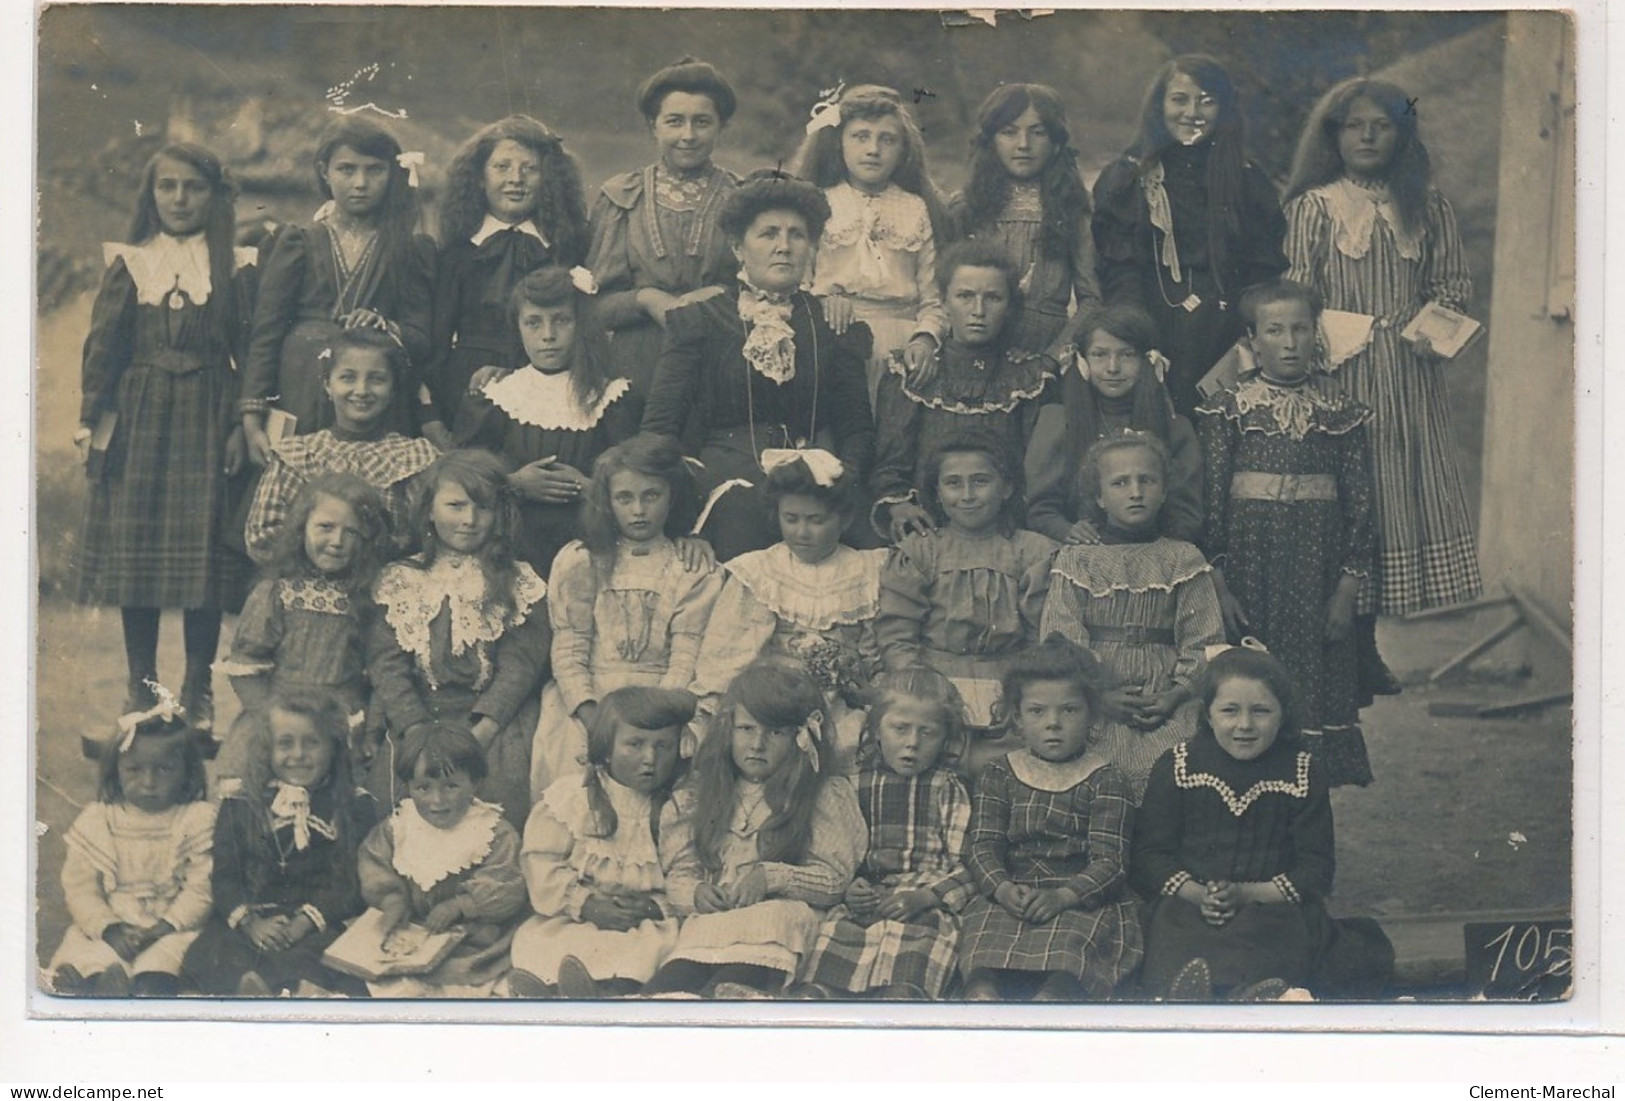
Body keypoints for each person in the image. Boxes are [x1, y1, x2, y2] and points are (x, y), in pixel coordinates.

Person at [1284, 77, 1481, 698]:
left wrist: (1432, 333)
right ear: (1334, 136)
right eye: (1354, 126)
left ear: (1402, 135)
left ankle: (1374, 639)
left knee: (1395, 497)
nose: (1367, 136)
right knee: (1346, 496)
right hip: (1338, 371)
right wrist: (1316, 348)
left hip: (1406, 380)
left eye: (1382, 125)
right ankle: (1350, 643)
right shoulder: (1316, 207)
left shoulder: (1428, 206)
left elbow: (1451, 286)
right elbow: (1296, 290)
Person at [72, 142, 257, 731]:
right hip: (140, 418)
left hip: (208, 414)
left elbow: (248, 353)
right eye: (167, 186)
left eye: (193, 187)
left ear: (213, 195)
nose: (179, 199)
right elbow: (103, 346)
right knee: (140, 558)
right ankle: (143, 687)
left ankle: (197, 689)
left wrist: (239, 426)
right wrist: (92, 420)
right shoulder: (131, 260)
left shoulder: (235, 265)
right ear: (151, 196)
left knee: (200, 561)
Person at [1132, 646, 1394, 1000]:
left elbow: (1316, 868)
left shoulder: (1301, 770)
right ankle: (1192, 995)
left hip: (1270, 905)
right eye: (1229, 711)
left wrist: (1248, 894)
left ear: (1283, 715)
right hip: (1192, 903)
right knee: (1178, 932)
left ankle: (1255, 995)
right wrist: (1198, 894)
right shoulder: (1178, 765)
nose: (1244, 725)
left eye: (1261, 711)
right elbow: (1150, 854)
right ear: (1207, 715)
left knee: (1275, 934)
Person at [640, 169, 875, 560]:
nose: (783, 246)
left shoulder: (830, 325)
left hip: (813, 484)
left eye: (796, 235)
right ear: (737, 247)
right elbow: (660, 429)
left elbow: (857, 428)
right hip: (722, 486)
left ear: (811, 248)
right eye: (768, 234)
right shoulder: (701, 320)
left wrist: (841, 480)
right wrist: (685, 516)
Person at [1196, 280, 1375, 788]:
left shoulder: (1341, 411)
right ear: (1253, 341)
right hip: (1252, 572)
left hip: (1316, 571)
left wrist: (1346, 589)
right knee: (1250, 680)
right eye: (1275, 331)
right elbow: (1212, 504)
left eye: (1300, 329)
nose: (1290, 342)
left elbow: (1360, 506)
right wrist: (1220, 582)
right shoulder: (1225, 408)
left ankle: (1306, 805)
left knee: (1310, 690)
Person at [643, 663, 865, 999]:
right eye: (746, 729)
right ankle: (640, 1005)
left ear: (801, 737)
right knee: (679, 973)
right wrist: (696, 893)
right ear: (728, 730)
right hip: (715, 922)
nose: (757, 744)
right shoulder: (701, 793)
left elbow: (834, 879)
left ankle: (719, 1002)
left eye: (774, 733)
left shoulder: (820, 792)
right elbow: (680, 873)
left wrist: (770, 877)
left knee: (735, 973)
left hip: (780, 921)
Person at [1093, 55, 1288, 418]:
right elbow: (1121, 271)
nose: (1192, 112)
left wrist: (1247, 338)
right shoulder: (1128, 177)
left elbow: (1261, 276)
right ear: (1159, 105)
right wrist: (1138, 339)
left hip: (1226, 336)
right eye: (1180, 99)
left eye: (1206, 101)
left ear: (1225, 110)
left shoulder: (1247, 180)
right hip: (1154, 327)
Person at [532, 434, 723, 796]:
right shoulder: (582, 561)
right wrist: (592, 716)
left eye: (651, 496)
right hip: (589, 700)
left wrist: (658, 720)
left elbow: (686, 655)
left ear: (672, 498)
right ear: (607, 501)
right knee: (567, 761)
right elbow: (570, 648)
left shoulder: (692, 568)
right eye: (625, 498)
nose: (638, 510)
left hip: (663, 699)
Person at [367, 451, 551, 825]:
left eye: (483, 508)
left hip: (490, 720)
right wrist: (415, 728)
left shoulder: (519, 580)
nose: (469, 520)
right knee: (396, 801)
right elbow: (387, 664)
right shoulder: (399, 579)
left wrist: (483, 728)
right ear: (430, 511)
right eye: (455, 506)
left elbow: (521, 665)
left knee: (499, 796)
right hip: (418, 715)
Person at [1039, 435, 1224, 800]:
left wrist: (1176, 694)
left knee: (1174, 774)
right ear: (1099, 497)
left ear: (1165, 491)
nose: (1135, 491)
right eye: (1120, 483)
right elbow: (1062, 638)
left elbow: (1204, 639)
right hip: (1097, 700)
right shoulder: (1077, 561)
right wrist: (1098, 694)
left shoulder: (1183, 558)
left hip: (1168, 699)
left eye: (1147, 480)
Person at [958, 639, 1143, 1002]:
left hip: (1079, 895)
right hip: (1014, 890)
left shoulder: (1105, 777)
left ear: (1092, 714)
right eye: (1038, 711)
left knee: (1072, 950)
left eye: (1070, 711)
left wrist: (1065, 895)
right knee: (982, 941)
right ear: (1017, 716)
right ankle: (982, 998)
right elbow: (982, 844)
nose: (1053, 724)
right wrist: (1001, 888)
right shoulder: (1000, 772)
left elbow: (1111, 861)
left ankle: (1054, 999)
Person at [242, 117, 437, 449]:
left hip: (372, 397)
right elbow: (266, 333)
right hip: (300, 388)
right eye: (347, 170)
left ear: (392, 174)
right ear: (324, 172)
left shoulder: (408, 248)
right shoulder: (297, 243)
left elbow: (421, 336)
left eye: (374, 170)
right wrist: (252, 415)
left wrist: (388, 327)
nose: (360, 182)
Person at [690, 452, 885, 775]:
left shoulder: (867, 571)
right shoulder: (761, 573)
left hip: (837, 710)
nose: (802, 532)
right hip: (769, 708)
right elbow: (726, 657)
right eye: (791, 519)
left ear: (845, 519)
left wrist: (869, 689)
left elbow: (873, 654)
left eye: (816, 520)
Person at [182, 688, 378, 997]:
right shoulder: (240, 803)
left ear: (334, 747)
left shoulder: (353, 805)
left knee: (305, 964)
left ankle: (277, 1004)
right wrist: (249, 922)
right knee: (223, 957)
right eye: (285, 743)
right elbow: (225, 876)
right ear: (267, 748)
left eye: (311, 743)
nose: (298, 755)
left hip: (314, 924)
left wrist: (305, 921)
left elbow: (350, 883)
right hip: (252, 920)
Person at [509, 687, 702, 997]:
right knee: (550, 944)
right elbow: (541, 864)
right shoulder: (572, 798)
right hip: (578, 914)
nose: (650, 759)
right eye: (635, 744)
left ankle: (600, 993)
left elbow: (686, 871)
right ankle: (552, 991)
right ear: (607, 748)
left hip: (643, 921)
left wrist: (654, 907)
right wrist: (585, 903)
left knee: (642, 949)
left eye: (663, 746)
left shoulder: (677, 808)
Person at [799, 669, 973, 1000]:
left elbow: (968, 865)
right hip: (867, 902)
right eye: (900, 729)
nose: (912, 743)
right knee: (829, 962)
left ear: (946, 738)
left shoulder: (947, 788)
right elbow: (841, 853)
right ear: (877, 729)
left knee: (907, 978)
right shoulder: (855, 785)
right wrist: (852, 887)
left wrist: (928, 897)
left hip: (925, 905)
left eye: (928, 733)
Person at [456, 266, 640, 574]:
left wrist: (592, 488)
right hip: (512, 544)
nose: (548, 335)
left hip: (591, 544)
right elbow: (461, 478)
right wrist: (514, 484)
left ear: (580, 324)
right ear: (517, 328)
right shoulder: (497, 396)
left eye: (561, 320)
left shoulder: (613, 397)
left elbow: (638, 476)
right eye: (533, 323)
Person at [868, 242, 1056, 544]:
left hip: (1006, 536)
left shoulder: (1027, 378)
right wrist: (898, 505)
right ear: (943, 301)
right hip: (928, 534)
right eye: (965, 296)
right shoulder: (912, 373)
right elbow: (890, 466)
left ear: (1010, 307)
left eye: (993, 298)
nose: (978, 311)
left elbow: (1032, 476)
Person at [875, 432, 1056, 739]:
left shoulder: (1034, 552)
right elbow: (897, 637)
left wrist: (1021, 695)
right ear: (937, 492)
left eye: (981, 481)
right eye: (953, 483)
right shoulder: (920, 552)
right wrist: (927, 693)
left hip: (1011, 689)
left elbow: (1043, 637)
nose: (967, 495)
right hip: (932, 689)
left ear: (1007, 488)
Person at [217, 473, 392, 782]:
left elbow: (382, 671)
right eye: (325, 527)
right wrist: (270, 721)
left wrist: (373, 731)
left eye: (351, 532)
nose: (337, 541)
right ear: (301, 529)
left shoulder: (369, 598)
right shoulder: (276, 592)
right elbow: (245, 668)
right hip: (278, 716)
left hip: (340, 722)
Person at [587, 58, 742, 398]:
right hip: (637, 370)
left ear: (721, 126)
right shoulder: (621, 198)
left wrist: (719, 296)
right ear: (652, 125)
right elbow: (594, 307)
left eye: (702, 122)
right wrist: (645, 299)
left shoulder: (743, 200)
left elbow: (764, 292)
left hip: (720, 363)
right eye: (674, 121)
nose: (688, 135)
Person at [789, 82, 950, 396]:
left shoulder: (917, 209)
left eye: (886, 140)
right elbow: (796, 282)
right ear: (840, 143)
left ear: (903, 149)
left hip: (903, 347)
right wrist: (821, 303)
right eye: (860, 136)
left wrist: (925, 338)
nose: (873, 150)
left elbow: (935, 298)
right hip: (832, 338)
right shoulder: (817, 203)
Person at [432, 115, 591, 424]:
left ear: (547, 179)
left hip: (549, 383)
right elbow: (438, 343)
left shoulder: (564, 250)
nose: (516, 178)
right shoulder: (456, 255)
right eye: (502, 167)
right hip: (470, 388)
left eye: (529, 168)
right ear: (479, 177)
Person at [47, 704, 215, 997]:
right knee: (92, 960)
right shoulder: (98, 819)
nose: (149, 782)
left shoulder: (195, 818)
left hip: (171, 925)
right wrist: (109, 928)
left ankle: (148, 993)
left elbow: (201, 888)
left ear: (187, 772)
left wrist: (165, 926)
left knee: (162, 969)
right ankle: (96, 988)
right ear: (116, 770)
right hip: (113, 921)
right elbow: (80, 889)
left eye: (164, 769)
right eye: (134, 769)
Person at [242, 327, 440, 565]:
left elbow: (430, 535)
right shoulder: (296, 455)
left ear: (393, 388)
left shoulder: (414, 458)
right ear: (327, 384)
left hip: (389, 587)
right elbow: (261, 537)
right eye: (347, 377)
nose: (361, 390)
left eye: (376, 379)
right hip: (307, 586)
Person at [357, 724, 528, 998]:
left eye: (451, 786)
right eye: (423, 788)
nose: (437, 800)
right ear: (409, 787)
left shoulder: (492, 830)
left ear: (475, 782)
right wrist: (392, 900)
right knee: (386, 973)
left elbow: (507, 882)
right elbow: (374, 862)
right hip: (414, 928)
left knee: (479, 976)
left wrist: (462, 905)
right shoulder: (399, 827)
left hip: (474, 935)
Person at [1024, 304, 1204, 545]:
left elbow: (1186, 513)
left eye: (1126, 355)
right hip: (1079, 551)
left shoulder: (1175, 427)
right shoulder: (1057, 421)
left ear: (1147, 360)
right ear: (1082, 361)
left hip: (1155, 553)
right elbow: (1041, 508)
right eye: (1099, 355)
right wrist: (1066, 530)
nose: (1112, 368)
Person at [948, 83, 1100, 357]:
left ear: (1055, 142)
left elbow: (1091, 300)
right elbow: (946, 292)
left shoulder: (1073, 207)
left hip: (1046, 351)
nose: (1023, 145)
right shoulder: (966, 206)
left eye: (1038, 132)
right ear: (990, 140)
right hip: (977, 351)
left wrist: (1053, 357)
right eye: (1009, 132)